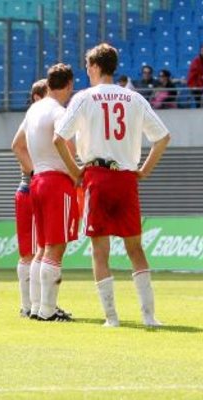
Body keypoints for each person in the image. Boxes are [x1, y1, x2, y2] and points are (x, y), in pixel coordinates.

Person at [54, 43, 171, 328]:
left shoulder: (84, 97)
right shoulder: (134, 98)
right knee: (135, 248)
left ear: (94, 66)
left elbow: (59, 138)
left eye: (87, 67)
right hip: (126, 177)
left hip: (97, 176)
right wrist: (144, 170)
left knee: (99, 249)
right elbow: (163, 137)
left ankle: (112, 317)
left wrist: (76, 172)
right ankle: (148, 316)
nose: (86, 72)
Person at [11, 65, 77, 322]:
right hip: (56, 181)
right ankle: (47, 310)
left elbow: (17, 145)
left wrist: (35, 168)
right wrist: (77, 172)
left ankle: (37, 307)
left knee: (41, 248)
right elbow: (62, 142)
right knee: (55, 247)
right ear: (69, 85)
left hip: (37, 180)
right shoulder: (60, 111)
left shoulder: (34, 109)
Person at [9, 79, 48, 317]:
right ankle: (31, 306)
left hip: (33, 189)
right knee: (32, 251)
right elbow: (16, 146)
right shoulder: (34, 118)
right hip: (31, 190)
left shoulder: (37, 120)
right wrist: (35, 174)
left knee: (38, 250)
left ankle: (37, 305)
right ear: (37, 97)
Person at [186, 44, 203, 108]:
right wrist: (193, 86)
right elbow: (192, 75)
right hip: (197, 88)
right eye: (201, 51)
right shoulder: (196, 61)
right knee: (198, 104)